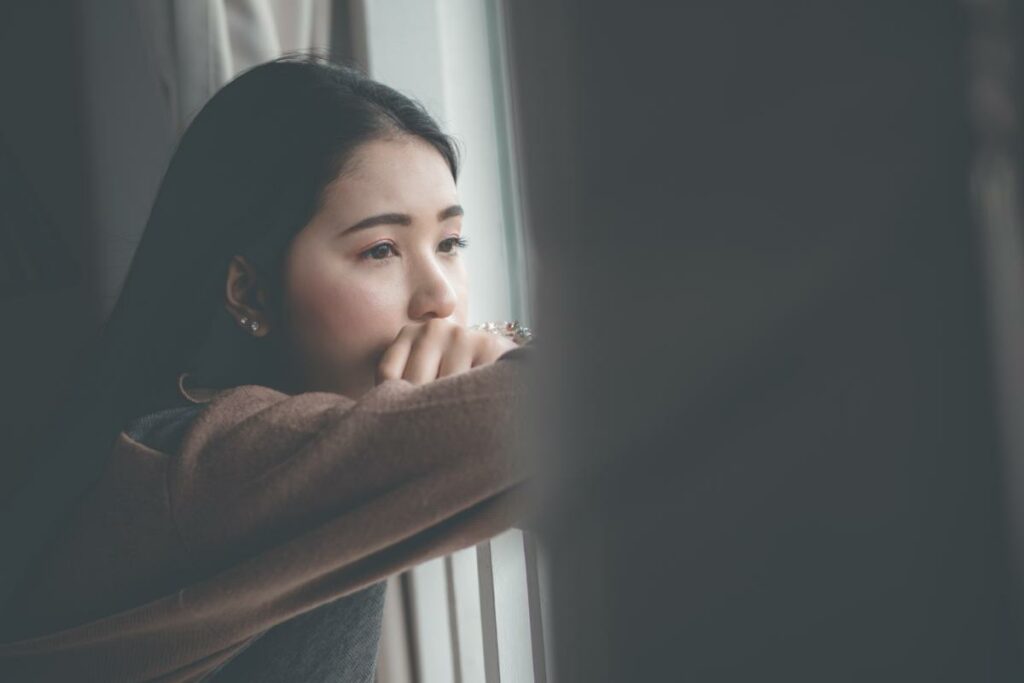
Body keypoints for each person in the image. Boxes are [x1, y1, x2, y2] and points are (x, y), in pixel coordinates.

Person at [0, 54, 537, 681]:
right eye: (381, 249)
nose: (442, 297)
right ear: (251, 293)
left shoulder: (205, 438)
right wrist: (505, 354)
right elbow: (570, 411)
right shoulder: (214, 461)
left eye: (449, 243)